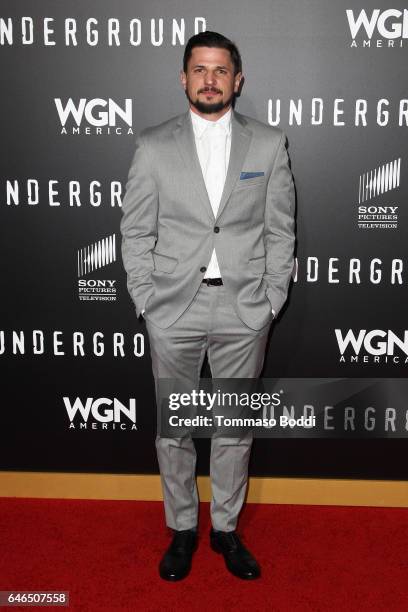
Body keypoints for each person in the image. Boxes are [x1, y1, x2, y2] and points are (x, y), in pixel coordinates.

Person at [120, 31, 295, 581]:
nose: (210, 80)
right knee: (174, 429)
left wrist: (271, 299)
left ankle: (224, 529)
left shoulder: (268, 144)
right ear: (184, 78)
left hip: (244, 311)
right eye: (200, 69)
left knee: (232, 428)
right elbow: (135, 230)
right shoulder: (152, 145)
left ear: (237, 80)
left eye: (220, 70)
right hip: (174, 309)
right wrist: (146, 298)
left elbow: (281, 231)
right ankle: (181, 528)